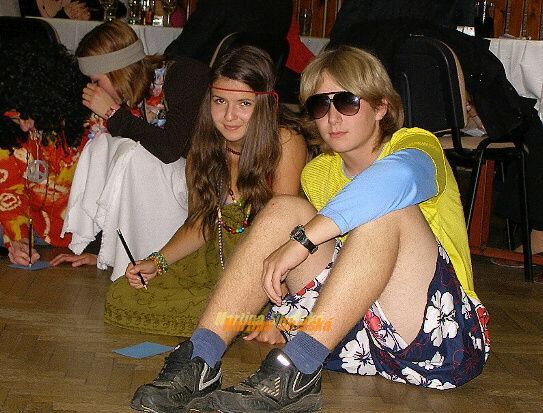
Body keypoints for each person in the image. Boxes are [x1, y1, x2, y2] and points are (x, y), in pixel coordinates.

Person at [129, 46, 490, 413]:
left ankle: (297, 366)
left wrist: (303, 240)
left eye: (347, 102)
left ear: (381, 107)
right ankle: (200, 359)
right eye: (320, 105)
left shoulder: (416, 145)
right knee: (285, 208)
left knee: (386, 213)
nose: (333, 117)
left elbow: (395, 180)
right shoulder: (319, 173)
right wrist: (279, 315)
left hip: (441, 344)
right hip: (353, 339)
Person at [104, 45, 308, 337]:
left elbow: (283, 232)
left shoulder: (285, 141)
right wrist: (156, 262)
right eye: (220, 101)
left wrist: (281, 309)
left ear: (264, 103)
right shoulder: (204, 145)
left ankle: (247, 315)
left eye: (244, 104)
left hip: (267, 270)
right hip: (213, 262)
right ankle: (232, 318)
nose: (229, 116)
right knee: (121, 295)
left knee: (218, 311)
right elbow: (199, 223)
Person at [48, 20, 210, 278]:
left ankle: (151, 259)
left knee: (134, 156)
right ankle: (113, 252)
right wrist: (101, 251)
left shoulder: (184, 75)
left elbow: (170, 148)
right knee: (101, 146)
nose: (95, 89)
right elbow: (114, 180)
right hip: (168, 184)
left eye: (97, 81)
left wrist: (114, 114)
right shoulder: (131, 95)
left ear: (116, 71)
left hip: (203, 183)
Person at [0, 40, 90, 262]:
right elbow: (9, 191)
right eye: (15, 118)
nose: (23, 127)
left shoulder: (88, 127)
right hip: (25, 228)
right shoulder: (10, 132)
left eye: (28, 116)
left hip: (80, 234)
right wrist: (20, 240)